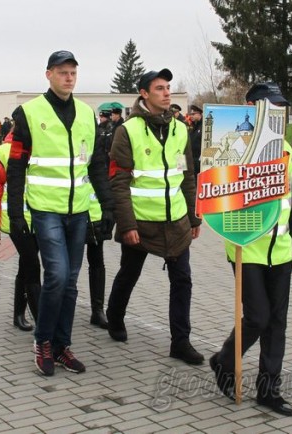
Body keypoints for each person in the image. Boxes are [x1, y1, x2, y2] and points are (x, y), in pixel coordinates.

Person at [7, 50, 114, 376]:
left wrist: (107, 205)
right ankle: (43, 342)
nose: (69, 77)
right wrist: (15, 213)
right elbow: (16, 166)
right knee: (55, 275)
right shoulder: (28, 112)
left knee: (69, 282)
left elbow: (95, 164)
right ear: (49, 74)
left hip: (78, 210)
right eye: (62, 72)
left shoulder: (86, 113)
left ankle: (62, 345)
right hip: (45, 209)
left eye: (73, 73)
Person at [209, 82, 292, 417]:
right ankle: (225, 360)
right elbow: (215, 191)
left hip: (280, 251)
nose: (277, 111)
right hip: (246, 247)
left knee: (276, 323)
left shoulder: (285, 150)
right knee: (258, 317)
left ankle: (269, 391)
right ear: (251, 106)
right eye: (271, 105)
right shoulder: (234, 146)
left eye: (281, 106)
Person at [106, 69, 204, 366]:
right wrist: (127, 225)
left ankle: (180, 341)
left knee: (183, 280)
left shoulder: (180, 129)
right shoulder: (128, 130)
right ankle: (115, 316)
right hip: (141, 222)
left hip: (176, 222)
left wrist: (193, 217)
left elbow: (187, 177)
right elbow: (119, 182)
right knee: (129, 273)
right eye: (159, 88)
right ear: (144, 94)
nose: (166, 93)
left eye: (168, 88)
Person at [0, 134, 40, 332]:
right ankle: (41, 318)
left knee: (26, 266)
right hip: (17, 220)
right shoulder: (2, 152)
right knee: (32, 265)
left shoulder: (45, 146)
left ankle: (19, 313)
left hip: (43, 219)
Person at [85, 109, 116, 329]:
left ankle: (98, 310)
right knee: (67, 266)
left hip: (95, 212)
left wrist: (109, 208)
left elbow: (103, 178)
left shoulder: (99, 146)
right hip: (72, 213)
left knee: (97, 261)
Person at [188, 104, 203, 179]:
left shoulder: (203, 126)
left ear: (199, 114)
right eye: (191, 114)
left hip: (200, 160)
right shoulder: (192, 126)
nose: (191, 116)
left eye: (193, 114)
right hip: (192, 159)